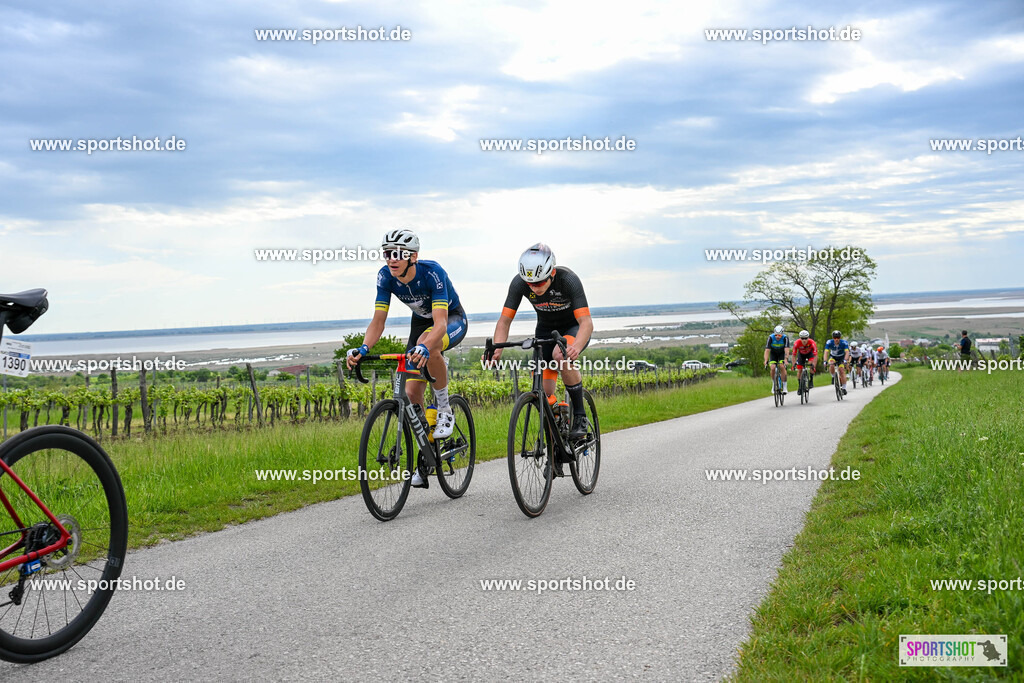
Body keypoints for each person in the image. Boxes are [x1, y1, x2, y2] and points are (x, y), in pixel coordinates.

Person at [346, 229, 467, 488]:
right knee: (412, 395)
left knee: (428, 346)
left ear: (413, 256)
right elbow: (378, 322)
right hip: (420, 324)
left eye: (398, 254)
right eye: (387, 253)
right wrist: (364, 348)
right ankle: (427, 454)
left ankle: (444, 408)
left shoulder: (432, 273)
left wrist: (426, 347)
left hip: (450, 320)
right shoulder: (385, 277)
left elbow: (440, 324)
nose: (392, 259)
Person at [487, 244, 593, 444]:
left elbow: (586, 323)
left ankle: (580, 416)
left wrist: (576, 347)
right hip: (545, 331)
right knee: (545, 392)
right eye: (530, 283)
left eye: (539, 282)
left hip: (573, 329)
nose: (534, 287)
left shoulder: (568, 280)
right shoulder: (519, 284)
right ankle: (556, 434)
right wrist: (497, 348)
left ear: (551, 272)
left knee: (560, 357)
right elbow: (504, 321)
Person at [763, 325, 789, 394]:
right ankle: (774, 384)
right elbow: (767, 350)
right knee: (772, 368)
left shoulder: (785, 338)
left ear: (782, 334)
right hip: (773, 353)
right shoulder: (771, 337)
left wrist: (786, 359)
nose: (777, 337)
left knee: (782, 366)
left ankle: (784, 386)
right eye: (776, 335)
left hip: (781, 353)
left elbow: (786, 350)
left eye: (779, 335)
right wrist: (765, 360)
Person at [824, 330, 851, 394]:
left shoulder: (844, 342)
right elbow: (826, 352)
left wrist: (845, 360)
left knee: (841, 370)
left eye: (838, 338)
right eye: (835, 338)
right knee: (831, 364)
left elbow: (847, 352)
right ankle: (834, 376)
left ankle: (844, 388)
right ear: (833, 338)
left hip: (841, 357)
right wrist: (825, 361)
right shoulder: (829, 342)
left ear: (840, 338)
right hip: (833, 357)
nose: (836, 339)